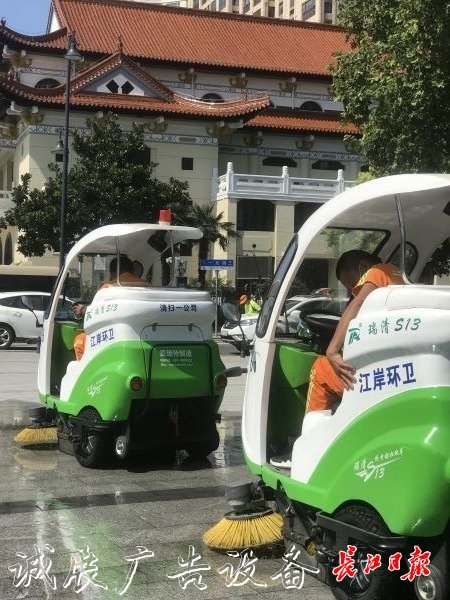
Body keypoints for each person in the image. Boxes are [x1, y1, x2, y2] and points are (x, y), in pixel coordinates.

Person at [270, 250, 404, 469]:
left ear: (361, 268)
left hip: (376, 377)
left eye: (350, 283)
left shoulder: (379, 272)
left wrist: (332, 350)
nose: (352, 290)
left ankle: (309, 449)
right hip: (395, 369)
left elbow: (358, 304)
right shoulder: (399, 276)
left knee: (321, 368)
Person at [72, 255, 144, 360]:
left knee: (79, 340)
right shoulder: (146, 285)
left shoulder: (108, 288)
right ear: (132, 270)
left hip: (115, 334)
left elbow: (97, 313)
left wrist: (83, 310)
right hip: (142, 333)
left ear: (113, 272)